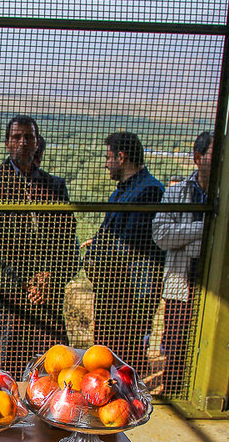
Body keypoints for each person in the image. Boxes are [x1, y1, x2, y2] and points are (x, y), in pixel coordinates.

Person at [0, 115, 79, 377]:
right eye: (17, 137)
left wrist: (50, 279)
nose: (22, 143)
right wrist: (23, 282)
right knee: (3, 366)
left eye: (28, 137)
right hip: (5, 293)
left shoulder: (55, 186)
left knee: (51, 366)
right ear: (7, 144)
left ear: (37, 142)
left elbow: (67, 241)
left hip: (46, 293)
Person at [84, 132, 164, 371]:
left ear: (121, 156)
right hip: (115, 285)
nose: (106, 163)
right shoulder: (122, 190)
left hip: (133, 288)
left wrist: (97, 252)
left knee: (126, 350)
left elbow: (132, 243)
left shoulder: (148, 190)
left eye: (109, 157)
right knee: (107, 348)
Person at [152, 131, 213, 395]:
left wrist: (186, 235)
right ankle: (174, 392)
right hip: (181, 282)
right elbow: (162, 236)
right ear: (198, 158)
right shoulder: (176, 193)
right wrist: (206, 227)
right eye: (215, 154)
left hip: (217, 284)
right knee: (176, 343)